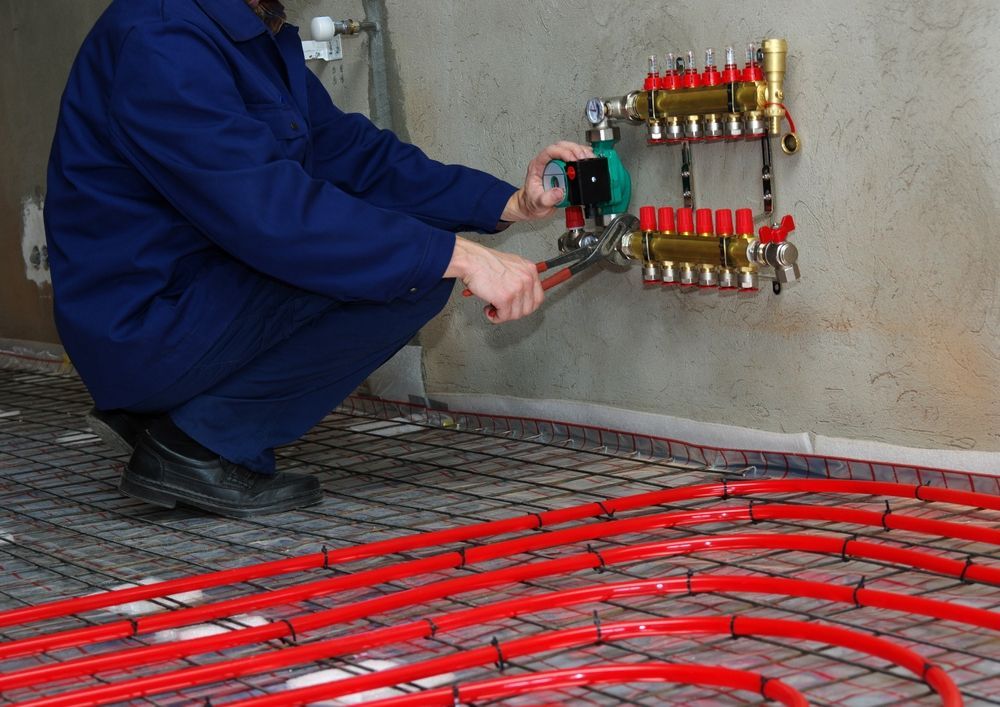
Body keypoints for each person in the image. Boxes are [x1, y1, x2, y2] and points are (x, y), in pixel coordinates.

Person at [44, 0, 592, 518]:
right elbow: (269, 213)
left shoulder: (250, 30)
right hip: (143, 328)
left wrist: (507, 204)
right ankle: (194, 445)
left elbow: (352, 156)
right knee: (409, 271)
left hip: (189, 295)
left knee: (412, 254)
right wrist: (455, 255)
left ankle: (176, 419)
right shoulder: (161, 38)